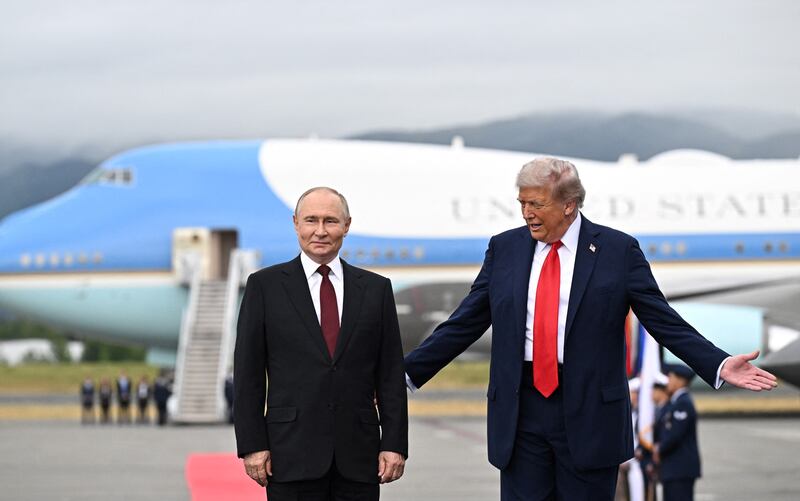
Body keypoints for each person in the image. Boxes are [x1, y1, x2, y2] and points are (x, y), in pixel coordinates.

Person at [403, 157, 778, 500]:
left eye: (537, 204)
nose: (527, 214)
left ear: (569, 204)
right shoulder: (505, 249)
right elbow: (464, 322)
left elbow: (662, 319)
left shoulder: (617, 251)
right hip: (521, 412)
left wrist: (718, 363)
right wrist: (403, 374)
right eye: (522, 203)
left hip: (589, 414)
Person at [234, 187, 408, 501]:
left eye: (330, 221)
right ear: (296, 224)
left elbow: (390, 375)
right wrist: (252, 445)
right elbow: (248, 375)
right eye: (311, 220)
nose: (320, 230)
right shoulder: (264, 287)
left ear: (347, 225)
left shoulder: (376, 289)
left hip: (358, 457)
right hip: (288, 455)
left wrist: (394, 444)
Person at [654, 364, 701, 501]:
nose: (668, 380)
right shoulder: (675, 402)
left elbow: (675, 434)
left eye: (670, 377)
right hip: (673, 467)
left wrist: (659, 449)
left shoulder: (683, 403)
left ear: (680, 380)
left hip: (680, 467)